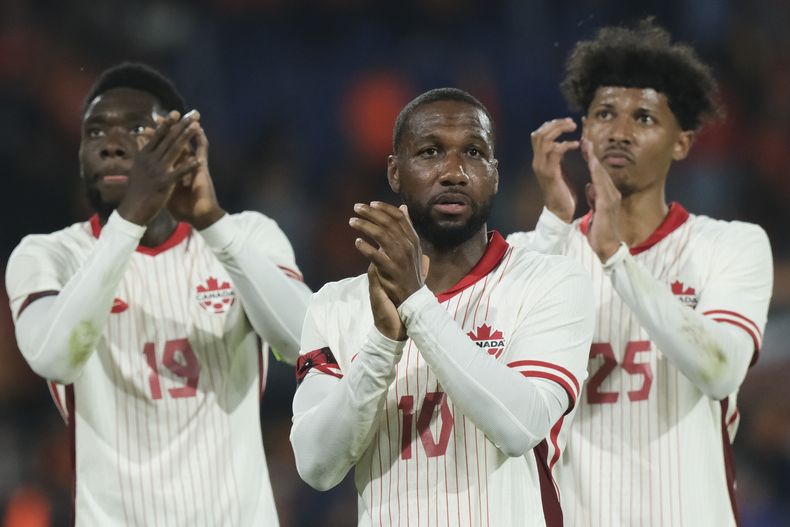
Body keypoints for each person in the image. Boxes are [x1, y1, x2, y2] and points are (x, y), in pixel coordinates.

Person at [5, 62, 310, 526]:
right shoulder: (47, 256)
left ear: (185, 146)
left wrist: (213, 224)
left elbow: (305, 342)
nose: (110, 143)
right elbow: (54, 357)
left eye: (135, 129)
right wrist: (130, 220)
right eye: (94, 133)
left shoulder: (250, 236)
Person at [507, 20, 774, 526]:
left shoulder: (731, 247)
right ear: (583, 131)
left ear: (682, 143)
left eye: (645, 117)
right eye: (604, 113)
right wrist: (551, 234)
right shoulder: (535, 254)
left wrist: (615, 258)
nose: (620, 131)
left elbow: (720, 371)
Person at [290, 88, 595, 526]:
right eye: (431, 152)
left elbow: (519, 427)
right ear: (395, 172)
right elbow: (317, 466)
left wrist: (415, 303)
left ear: (495, 172)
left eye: (473, 152)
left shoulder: (552, 283)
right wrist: (381, 346)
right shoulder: (336, 305)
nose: (453, 172)